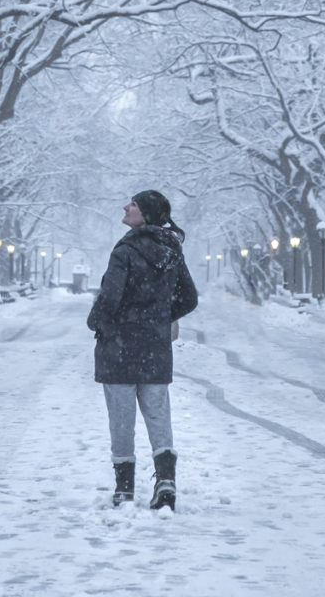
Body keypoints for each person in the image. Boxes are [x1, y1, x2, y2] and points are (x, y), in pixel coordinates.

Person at [87, 190, 198, 510]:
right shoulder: (171, 250)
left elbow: (109, 297)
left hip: (119, 348)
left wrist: (96, 322)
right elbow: (189, 298)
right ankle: (166, 481)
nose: (125, 206)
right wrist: (158, 318)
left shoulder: (126, 249)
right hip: (154, 347)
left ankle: (124, 489)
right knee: (159, 416)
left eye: (132, 204)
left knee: (121, 419)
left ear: (145, 213)